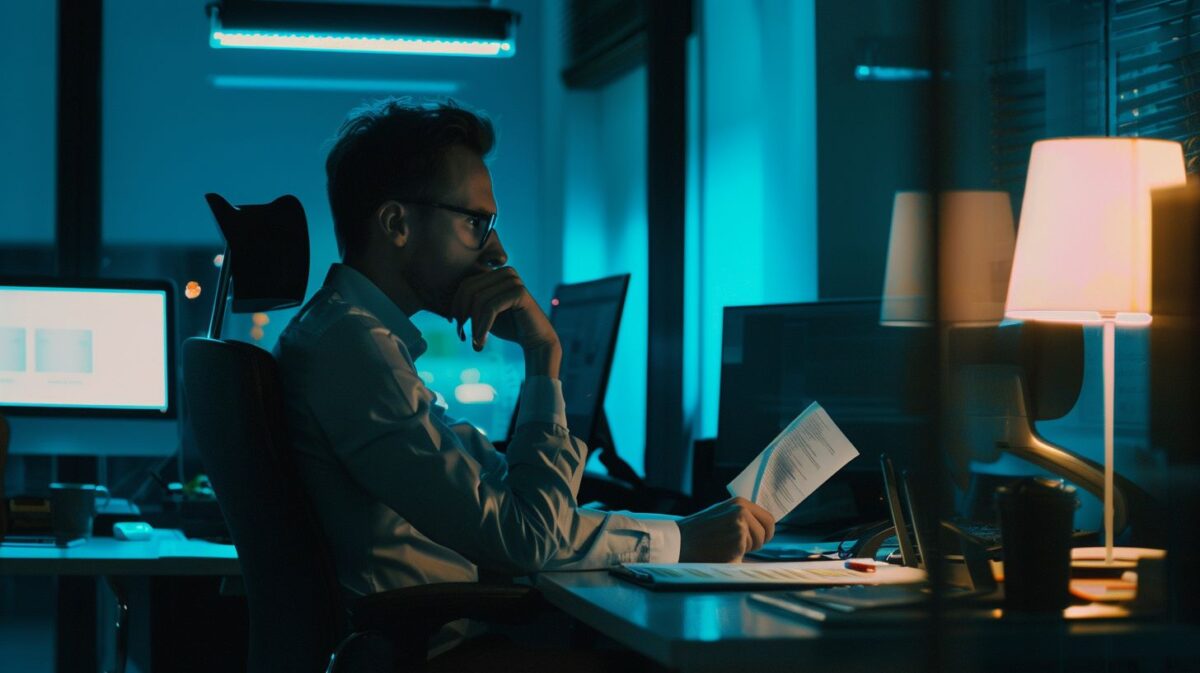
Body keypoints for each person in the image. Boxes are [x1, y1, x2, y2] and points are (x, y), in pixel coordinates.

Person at [274, 97, 775, 659]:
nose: (497, 250)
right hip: (441, 654)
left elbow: (519, 513)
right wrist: (544, 354)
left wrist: (678, 536)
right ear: (396, 224)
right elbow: (526, 539)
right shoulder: (354, 349)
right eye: (475, 222)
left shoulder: (352, 338)